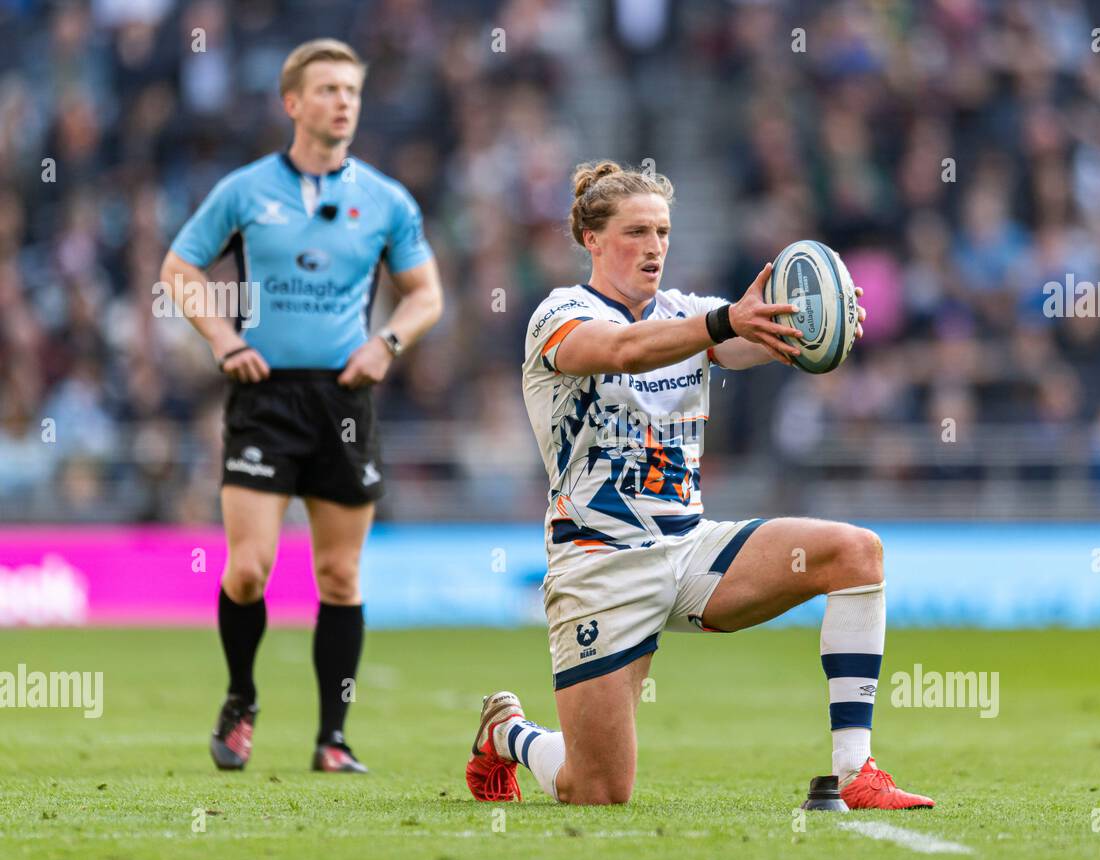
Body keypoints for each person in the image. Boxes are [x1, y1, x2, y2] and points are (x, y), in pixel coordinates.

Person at [465, 160, 931, 808]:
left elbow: (754, 338)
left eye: (662, 231)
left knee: (855, 552)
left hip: (691, 551)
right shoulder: (559, 314)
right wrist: (725, 325)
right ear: (593, 240)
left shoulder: (691, 312)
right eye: (636, 231)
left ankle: (856, 773)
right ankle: (509, 731)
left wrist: (813, 321)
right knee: (597, 789)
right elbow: (626, 350)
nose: (654, 247)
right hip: (599, 565)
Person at [159, 38, 443, 773]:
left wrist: (386, 344)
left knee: (340, 578)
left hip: (345, 399)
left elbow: (427, 295)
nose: (343, 101)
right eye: (327, 89)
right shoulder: (246, 190)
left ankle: (333, 738)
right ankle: (241, 697)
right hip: (265, 395)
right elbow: (178, 268)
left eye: (351, 90)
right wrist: (223, 338)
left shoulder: (387, 200)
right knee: (249, 570)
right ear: (292, 103)